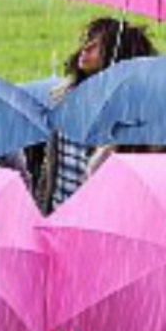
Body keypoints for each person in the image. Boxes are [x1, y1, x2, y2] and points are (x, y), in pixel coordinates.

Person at [35, 17, 158, 213]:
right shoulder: (66, 100)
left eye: (98, 44)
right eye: (88, 39)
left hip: (104, 221)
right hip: (60, 218)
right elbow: (50, 171)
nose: (86, 46)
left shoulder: (136, 115)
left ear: (118, 56)